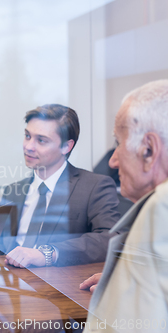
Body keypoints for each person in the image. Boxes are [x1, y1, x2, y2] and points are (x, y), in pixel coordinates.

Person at [78, 80, 168, 332]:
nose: (113, 160)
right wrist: (121, 280)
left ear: (148, 150)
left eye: (118, 142)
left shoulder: (160, 207)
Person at [0, 104, 120, 268]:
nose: (28, 146)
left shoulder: (94, 187)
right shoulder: (12, 191)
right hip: (10, 283)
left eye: (41, 140)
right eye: (27, 136)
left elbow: (110, 238)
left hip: (59, 286)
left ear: (66, 146)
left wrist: (48, 253)